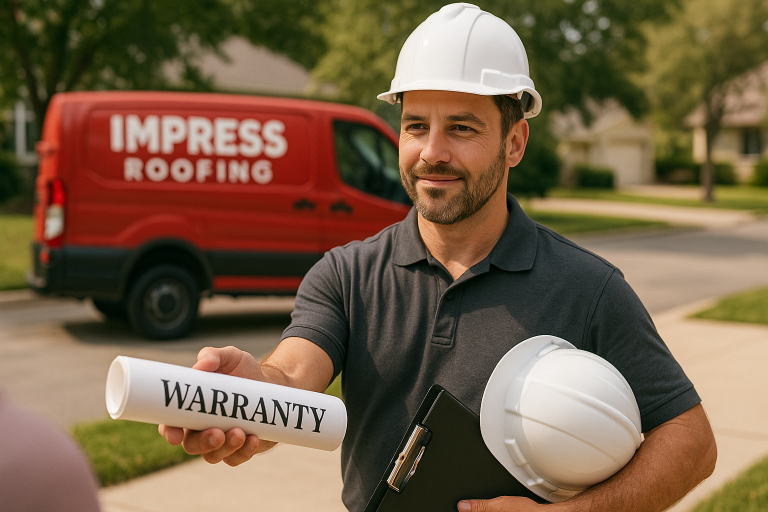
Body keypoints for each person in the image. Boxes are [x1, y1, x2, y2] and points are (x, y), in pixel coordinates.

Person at [160, 4, 716, 511]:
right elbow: (292, 377)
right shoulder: (347, 274)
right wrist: (252, 390)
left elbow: (691, 441)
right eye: (416, 127)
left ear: (515, 143)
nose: (432, 152)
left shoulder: (586, 287)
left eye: (461, 128)